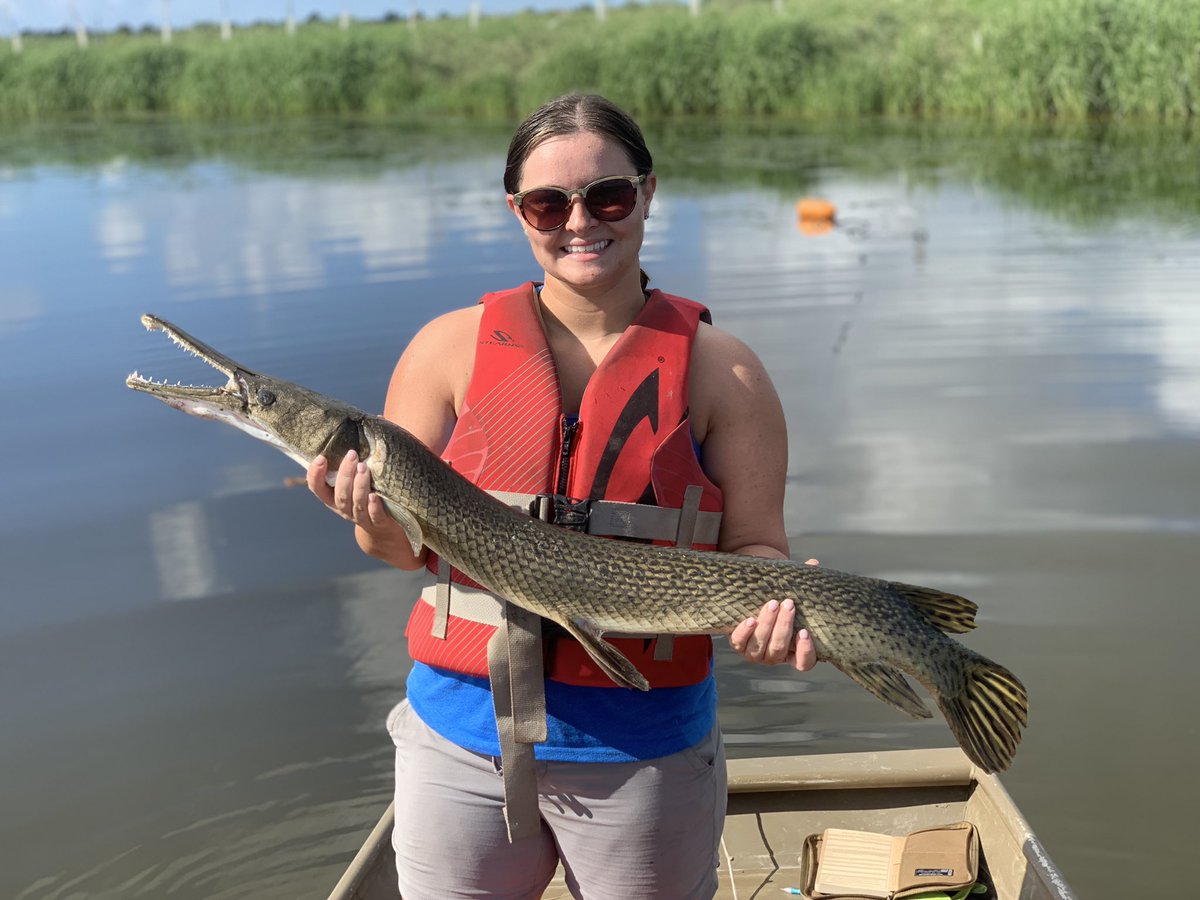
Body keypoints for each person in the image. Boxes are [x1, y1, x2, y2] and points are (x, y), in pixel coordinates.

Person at [307, 93, 818, 900]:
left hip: (644, 749)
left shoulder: (729, 373)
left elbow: (758, 550)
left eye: (607, 195)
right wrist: (366, 518)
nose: (580, 221)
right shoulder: (445, 350)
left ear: (648, 193)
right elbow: (403, 553)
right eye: (549, 202)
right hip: (458, 741)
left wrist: (772, 619)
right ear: (519, 213)